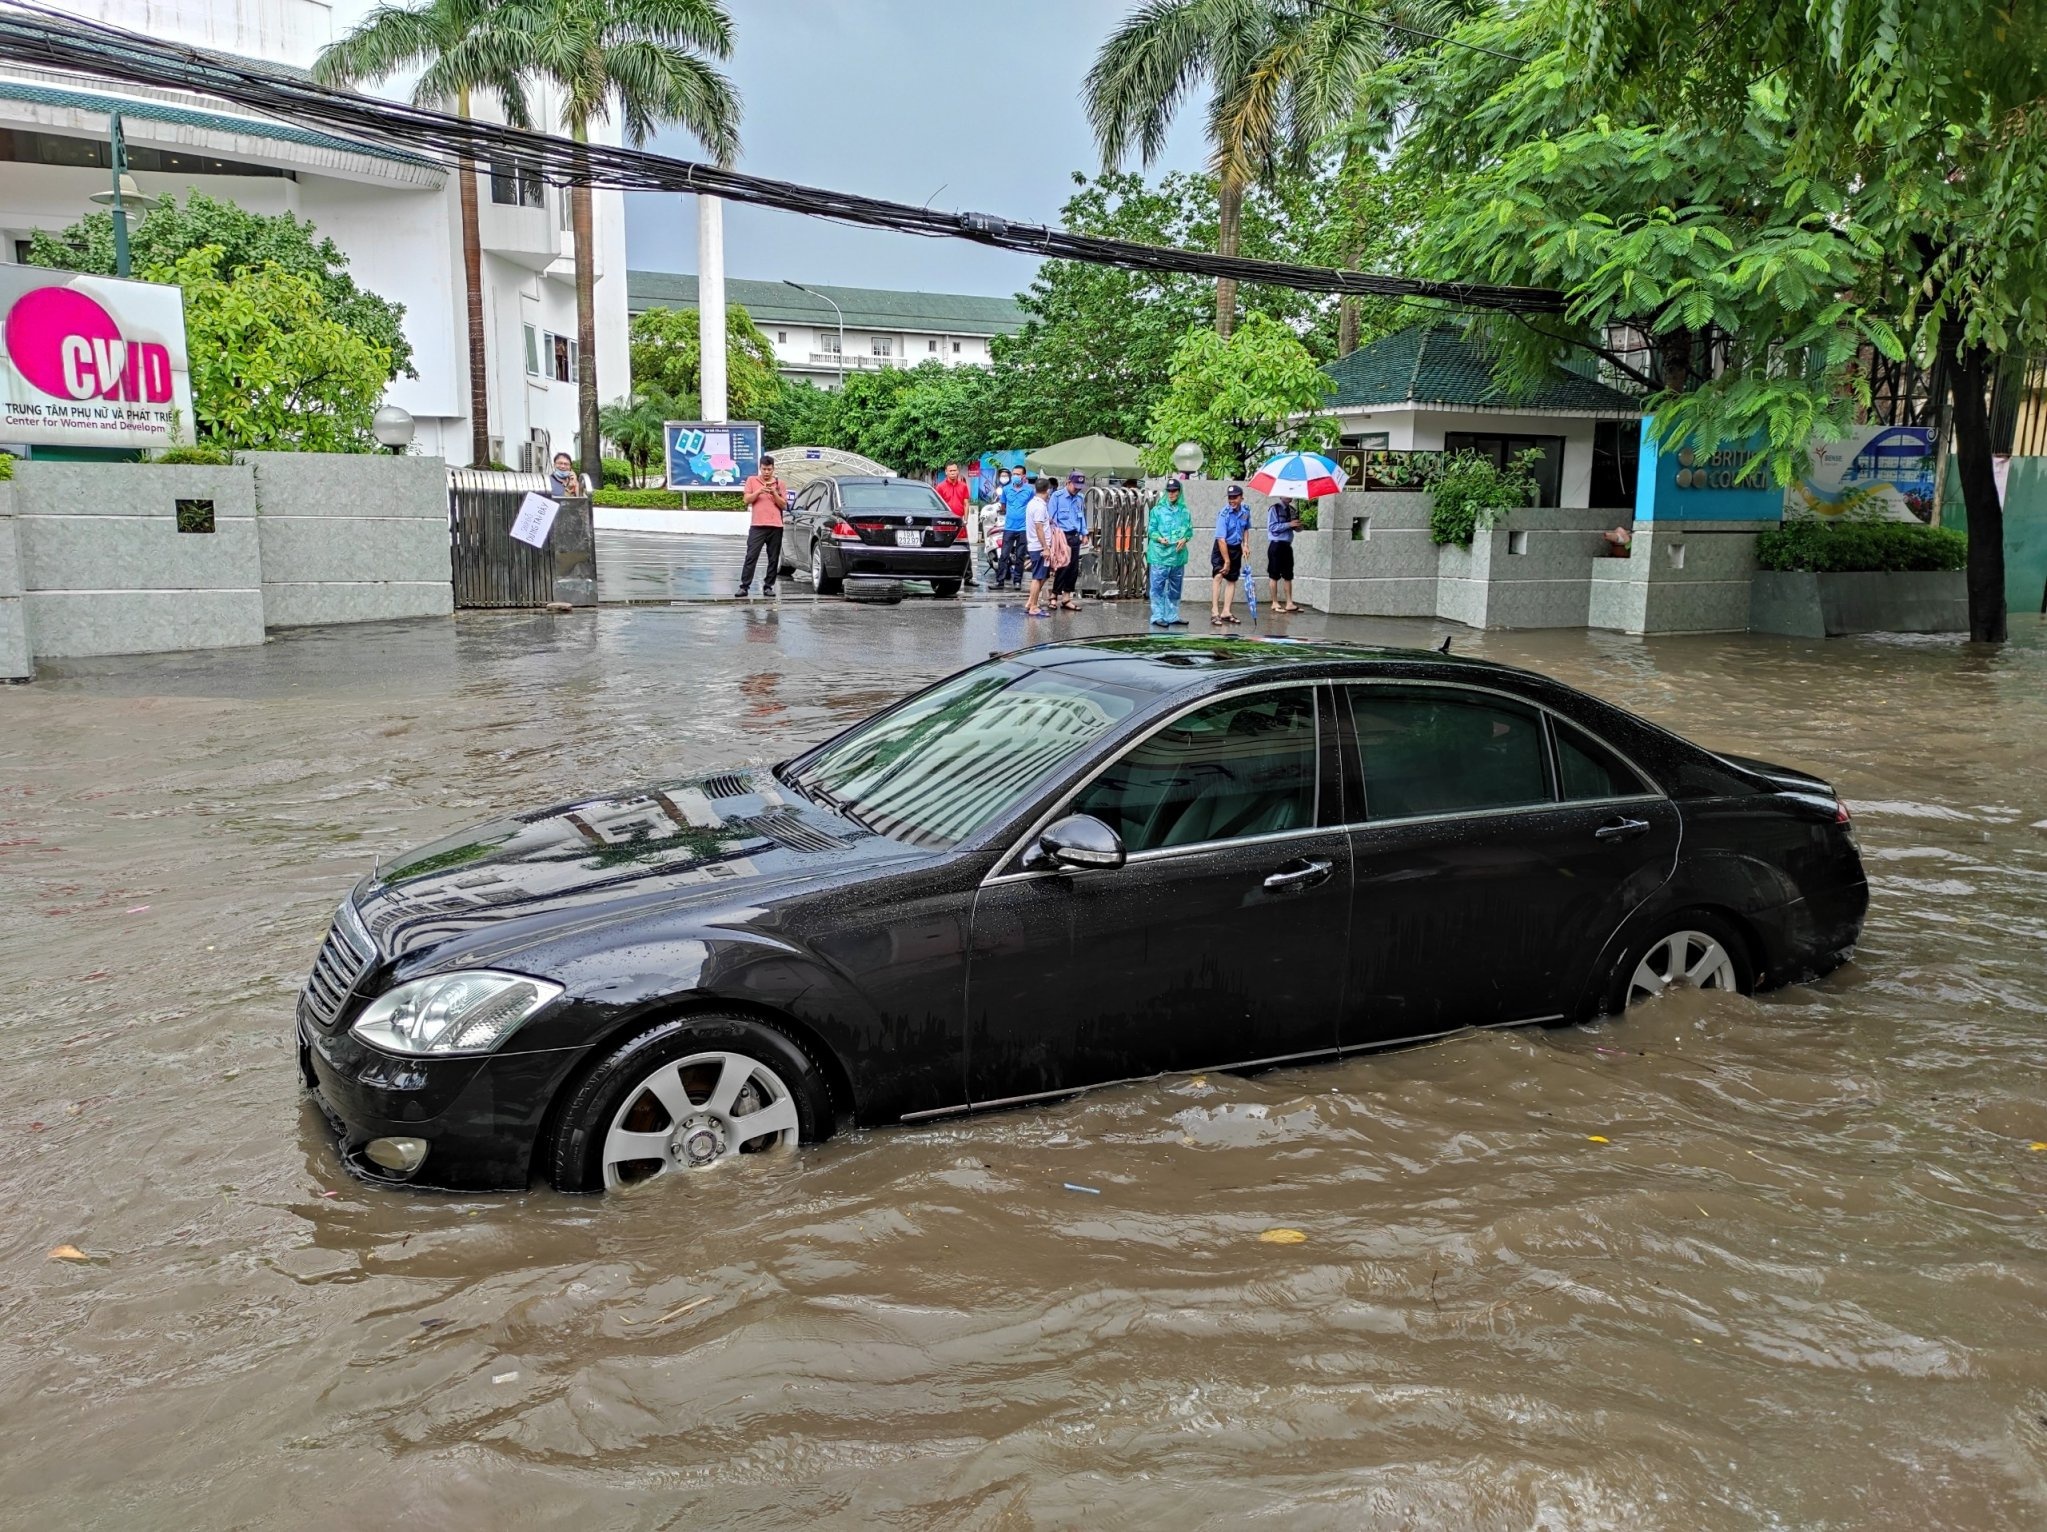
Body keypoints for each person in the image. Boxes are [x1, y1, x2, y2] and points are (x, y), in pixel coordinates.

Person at [734, 453, 787, 599]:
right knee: (751, 556)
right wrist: (760, 490)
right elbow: (746, 500)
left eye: (769, 469)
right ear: (760, 468)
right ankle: (744, 586)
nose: (766, 472)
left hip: (775, 526)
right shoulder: (752, 480)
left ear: (773, 469)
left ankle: (768, 586)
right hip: (757, 525)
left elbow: (783, 505)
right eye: (764, 469)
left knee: (773, 558)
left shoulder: (779, 484)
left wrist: (774, 493)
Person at [1145, 478, 1193, 629]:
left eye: (1175, 491)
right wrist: (1159, 538)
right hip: (1160, 555)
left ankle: (1172, 615)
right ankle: (1158, 616)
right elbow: (1151, 530)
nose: (1172, 494)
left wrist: (1184, 539)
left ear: (1179, 492)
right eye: (1169, 491)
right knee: (1157, 587)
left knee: (1175, 587)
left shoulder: (1184, 512)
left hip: (1177, 556)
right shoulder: (1157, 510)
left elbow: (1189, 530)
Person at [1210, 484, 1251, 626]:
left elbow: (1246, 528)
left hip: (1235, 548)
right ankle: (1215, 612)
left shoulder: (1245, 511)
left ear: (1241, 498)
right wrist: (1226, 561)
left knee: (1232, 579)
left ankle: (1226, 611)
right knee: (1219, 576)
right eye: (1230, 498)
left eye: (1235, 497)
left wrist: (1245, 545)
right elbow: (1221, 539)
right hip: (1222, 548)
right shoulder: (1224, 514)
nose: (1232, 500)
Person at [1047, 471, 1089, 610]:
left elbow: (1081, 517)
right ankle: (1054, 596)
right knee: (1062, 567)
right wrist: (1054, 538)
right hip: (1061, 536)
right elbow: (1051, 519)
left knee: (1073, 569)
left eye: (1079, 486)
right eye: (1075, 485)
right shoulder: (1057, 496)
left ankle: (1066, 598)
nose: (1077, 489)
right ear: (1068, 483)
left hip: (1075, 535)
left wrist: (1084, 533)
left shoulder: (1080, 498)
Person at [934, 462, 976, 587]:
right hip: (945, 524)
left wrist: (965, 519)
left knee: (965, 549)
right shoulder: (940, 487)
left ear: (958, 471)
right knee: (942, 550)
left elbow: (966, 503)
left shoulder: (963, 486)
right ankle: (940, 576)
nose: (953, 473)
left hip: (959, 523)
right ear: (946, 472)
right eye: (950, 471)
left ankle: (968, 578)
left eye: (954, 470)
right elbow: (937, 505)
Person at [1023, 475, 1056, 617]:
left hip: (1036, 545)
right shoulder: (1039, 507)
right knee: (1037, 577)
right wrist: (1045, 548)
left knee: (1043, 575)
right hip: (1039, 547)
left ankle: (1031, 602)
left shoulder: (1033, 503)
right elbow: (1039, 528)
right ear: (1047, 490)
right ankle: (1034, 606)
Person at [997, 467, 1035, 590]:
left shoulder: (1029, 491)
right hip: (1009, 528)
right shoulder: (1006, 489)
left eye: (1018, 474)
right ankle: (1000, 581)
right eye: (1013, 474)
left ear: (1024, 476)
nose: (1015, 476)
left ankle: (1017, 581)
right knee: (1004, 555)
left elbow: (1032, 507)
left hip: (1023, 528)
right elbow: (1003, 506)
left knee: (1020, 556)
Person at [1266, 496, 1305, 612]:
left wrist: (1299, 525)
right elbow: (1272, 527)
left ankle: (1289, 603)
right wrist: (1289, 524)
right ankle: (1274, 602)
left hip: (1287, 545)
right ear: (1281, 496)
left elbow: (1297, 529)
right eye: (1286, 495)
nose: (1289, 497)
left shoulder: (1292, 510)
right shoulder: (1274, 509)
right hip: (1276, 544)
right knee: (1274, 575)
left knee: (1288, 575)